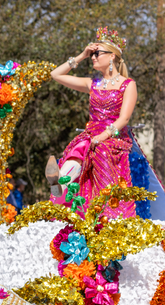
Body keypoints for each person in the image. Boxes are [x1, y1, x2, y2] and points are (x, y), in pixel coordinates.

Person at [46, 26, 136, 218]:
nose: (93, 57)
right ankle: (59, 186)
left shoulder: (128, 85)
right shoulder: (92, 83)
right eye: (92, 54)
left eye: (97, 53)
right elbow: (56, 75)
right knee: (77, 152)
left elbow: (124, 118)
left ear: (112, 56)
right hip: (90, 136)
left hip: (113, 138)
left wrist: (103, 136)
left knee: (99, 151)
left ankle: (105, 213)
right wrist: (81, 56)